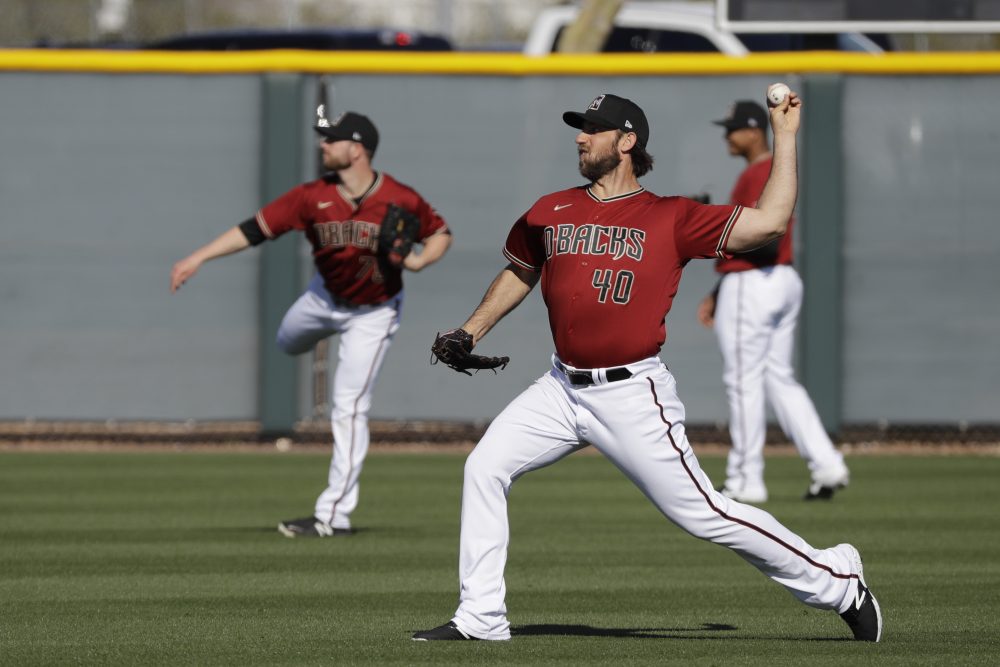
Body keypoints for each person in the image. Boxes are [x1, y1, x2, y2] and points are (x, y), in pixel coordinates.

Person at [412, 93, 881, 642]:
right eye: (580, 128)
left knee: (706, 514)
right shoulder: (551, 210)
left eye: (594, 128)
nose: (582, 137)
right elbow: (521, 272)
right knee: (484, 467)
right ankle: (481, 618)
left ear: (628, 141)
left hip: (632, 393)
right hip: (561, 388)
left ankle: (839, 581)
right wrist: (471, 330)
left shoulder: (671, 216)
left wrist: (786, 135)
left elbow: (772, 223)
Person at [171, 110, 452, 537]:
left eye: (331, 139)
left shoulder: (399, 197)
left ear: (356, 149)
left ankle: (333, 515)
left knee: (350, 406)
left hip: (374, 312)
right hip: (322, 298)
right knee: (287, 341)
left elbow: (440, 233)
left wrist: (417, 261)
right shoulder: (310, 197)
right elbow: (254, 228)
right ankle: (316, 337)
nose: (322, 145)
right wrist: (198, 257)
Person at [697, 100, 850, 504]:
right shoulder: (772, 169)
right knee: (777, 377)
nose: (727, 136)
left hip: (754, 281)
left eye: (732, 128)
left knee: (743, 380)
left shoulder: (757, 173)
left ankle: (746, 478)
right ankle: (827, 463)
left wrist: (710, 225)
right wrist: (716, 293)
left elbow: (763, 237)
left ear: (752, 130)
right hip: (782, 280)